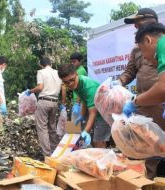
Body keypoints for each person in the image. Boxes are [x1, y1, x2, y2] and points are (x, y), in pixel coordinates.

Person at [113, 8, 165, 179]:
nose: (135, 26)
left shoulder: (161, 44)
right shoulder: (138, 49)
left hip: (157, 103)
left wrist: (134, 102)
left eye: (138, 23)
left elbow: (162, 87)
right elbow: (129, 72)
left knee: (155, 146)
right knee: (143, 146)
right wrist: (119, 82)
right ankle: (142, 180)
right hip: (143, 104)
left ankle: (147, 181)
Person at [58, 64, 111, 148]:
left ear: (76, 74)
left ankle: (102, 160)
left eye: (72, 80)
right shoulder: (77, 85)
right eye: (66, 82)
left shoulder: (89, 87)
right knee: (92, 142)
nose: (70, 84)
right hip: (95, 110)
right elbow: (84, 100)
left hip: (104, 113)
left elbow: (92, 113)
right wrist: (82, 116)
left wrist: (86, 131)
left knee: (99, 141)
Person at [25, 57, 62, 156]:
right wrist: (62, 102)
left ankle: (47, 154)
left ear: (41, 65)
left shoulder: (41, 72)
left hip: (44, 101)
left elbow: (40, 87)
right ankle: (55, 151)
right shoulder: (57, 73)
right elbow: (63, 87)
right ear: (51, 64)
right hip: (54, 102)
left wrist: (30, 91)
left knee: (42, 128)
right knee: (52, 127)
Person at [61, 52, 87, 123]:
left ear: (80, 61)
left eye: (74, 62)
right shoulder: (76, 71)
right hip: (79, 102)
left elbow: (81, 88)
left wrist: (77, 103)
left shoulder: (80, 71)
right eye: (71, 62)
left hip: (80, 103)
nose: (72, 64)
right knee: (79, 127)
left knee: (75, 127)